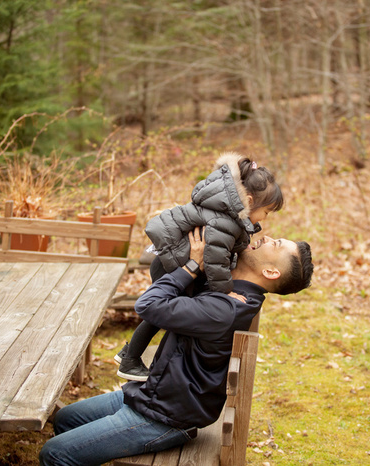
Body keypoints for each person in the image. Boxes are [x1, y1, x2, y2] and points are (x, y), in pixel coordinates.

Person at [39, 227, 313, 466]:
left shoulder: (225, 308)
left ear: (270, 271)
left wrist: (191, 267)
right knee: (65, 419)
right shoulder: (228, 285)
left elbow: (147, 305)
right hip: (154, 393)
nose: (267, 238)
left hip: (164, 417)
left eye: (276, 244)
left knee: (55, 454)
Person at [116, 152, 284, 381]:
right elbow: (215, 260)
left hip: (175, 262)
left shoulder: (225, 213)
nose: (264, 218)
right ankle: (130, 359)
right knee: (162, 314)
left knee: (167, 312)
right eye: (266, 212)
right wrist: (226, 290)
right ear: (250, 202)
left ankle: (130, 354)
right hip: (174, 267)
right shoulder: (225, 220)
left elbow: (225, 251)